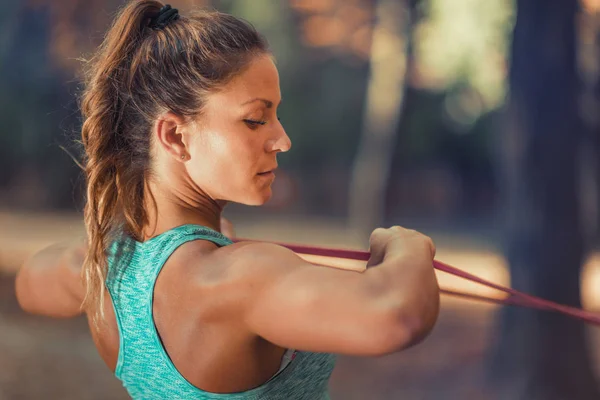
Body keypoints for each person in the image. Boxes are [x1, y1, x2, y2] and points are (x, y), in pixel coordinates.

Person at [14, 1, 440, 399]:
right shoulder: (237, 278)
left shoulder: (102, 268)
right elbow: (396, 314)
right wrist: (406, 245)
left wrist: (198, 244)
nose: (282, 140)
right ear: (175, 136)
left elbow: (29, 282)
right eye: (255, 119)